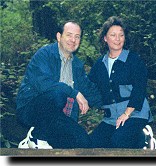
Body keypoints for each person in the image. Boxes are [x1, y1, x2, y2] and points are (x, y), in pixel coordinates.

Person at [16, 21, 102, 149]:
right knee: (58, 95)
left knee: (83, 142)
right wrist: (75, 93)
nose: (73, 40)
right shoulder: (44, 54)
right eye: (69, 35)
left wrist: (119, 105)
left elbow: (91, 92)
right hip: (31, 110)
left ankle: (40, 137)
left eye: (77, 36)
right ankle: (36, 136)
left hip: (58, 118)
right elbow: (43, 84)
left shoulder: (77, 66)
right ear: (59, 36)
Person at [88, 16, 156, 149]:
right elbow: (89, 86)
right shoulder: (99, 65)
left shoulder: (133, 60)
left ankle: (144, 138)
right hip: (111, 118)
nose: (118, 39)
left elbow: (140, 89)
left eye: (121, 35)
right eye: (113, 35)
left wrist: (126, 113)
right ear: (105, 38)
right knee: (93, 144)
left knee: (118, 140)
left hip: (135, 114)